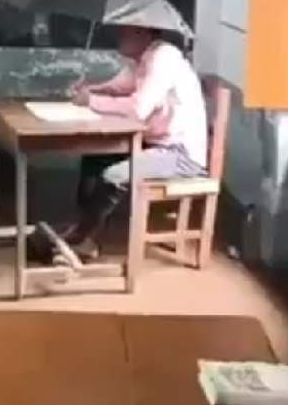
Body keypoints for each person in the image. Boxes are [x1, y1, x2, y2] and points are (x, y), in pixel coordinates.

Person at [60, 25, 208, 260]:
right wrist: (90, 89)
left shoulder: (164, 58)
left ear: (143, 33)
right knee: (94, 157)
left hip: (180, 155)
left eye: (125, 33)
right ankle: (86, 233)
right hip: (155, 145)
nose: (119, 38)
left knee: (114, 176)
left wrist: (91, 101)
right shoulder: (140, 59)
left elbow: (138, 108)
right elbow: (120, 86)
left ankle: (82, 237)